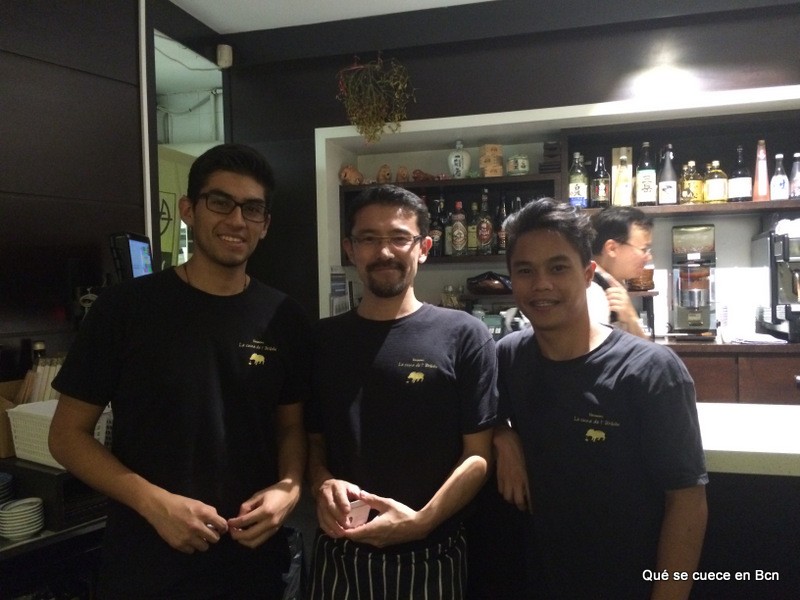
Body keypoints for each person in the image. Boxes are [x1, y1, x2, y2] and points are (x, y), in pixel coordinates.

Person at [48, 144, 309, 599]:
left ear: (265, 225)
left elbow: (290, 427)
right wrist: (154, 504)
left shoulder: (284, 317)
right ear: (189, 210)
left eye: (252, 209)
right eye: (220, 202)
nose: (237, 220)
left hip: (253, 565)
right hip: (148, 564)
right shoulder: (125, 309)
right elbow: (67, 436)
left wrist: (289, 489)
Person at [493, 198, 708, 599]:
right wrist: (503, 435)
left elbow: (686, 501)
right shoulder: (509, 355)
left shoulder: (651, 370)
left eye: (558, 268)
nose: (541, 284)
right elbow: (477, 413)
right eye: (525, 271)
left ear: (588, 274)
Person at [305, 184, 497, 599]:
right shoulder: (322, 340)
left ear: (423, 248)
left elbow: (478, 454)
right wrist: (322, 484)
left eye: (398, 238)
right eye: (368, 239)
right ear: (350, 249)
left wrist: (422, 522)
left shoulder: (464, 334)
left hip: (432, 555)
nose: (384, 252)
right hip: (340, 554)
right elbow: (314, 443)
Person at [587, 206, 654, 338]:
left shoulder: (611, 285)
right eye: (643, 249)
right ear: (612, 248)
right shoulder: (592, 292)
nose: (649, 257)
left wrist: (631, 318)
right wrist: (631, 318)